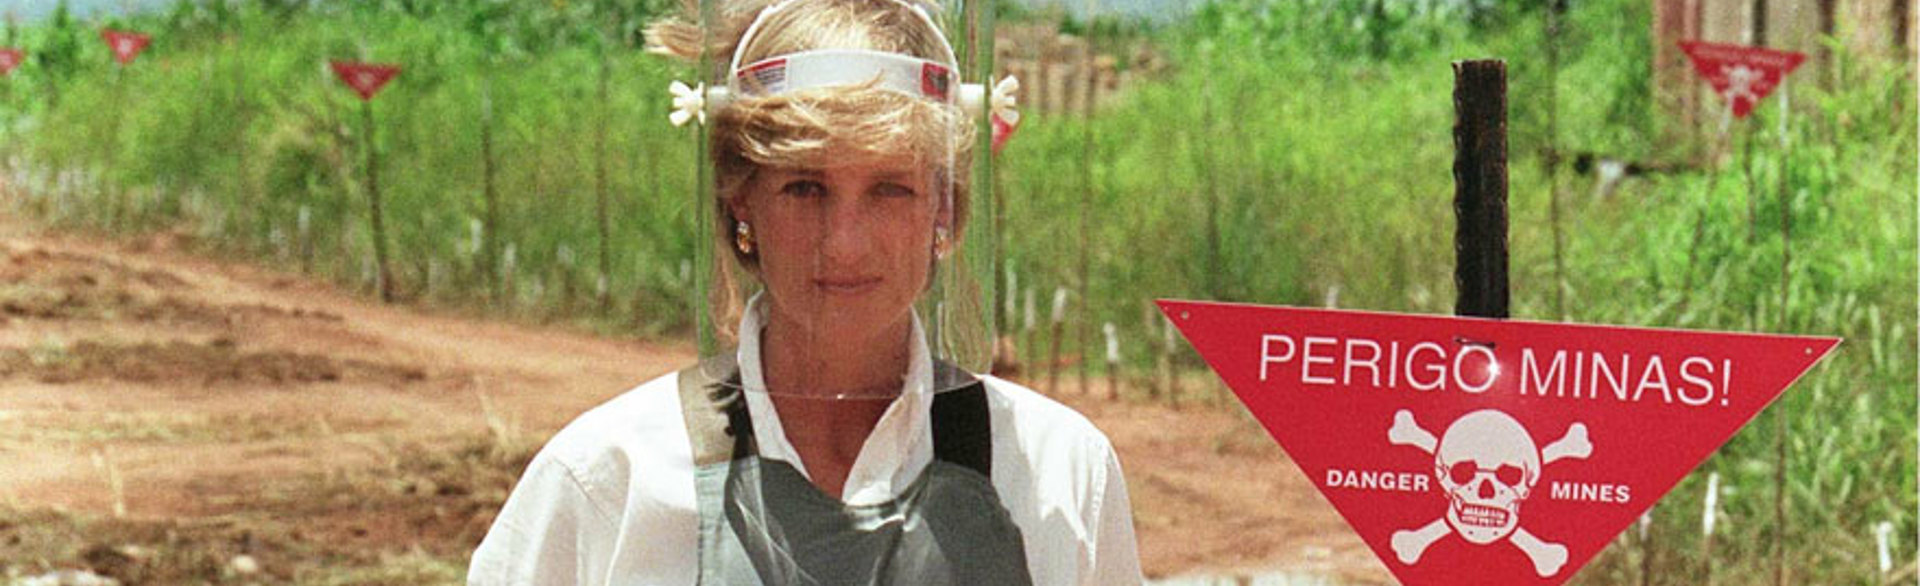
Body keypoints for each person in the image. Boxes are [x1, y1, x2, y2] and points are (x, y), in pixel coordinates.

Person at [467, 0, 1142, 583]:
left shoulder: (1058, 477)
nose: (844, 242)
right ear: (740, 203)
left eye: (889, 189)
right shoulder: (609, 483)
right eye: (804, 188)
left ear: (945, 210)